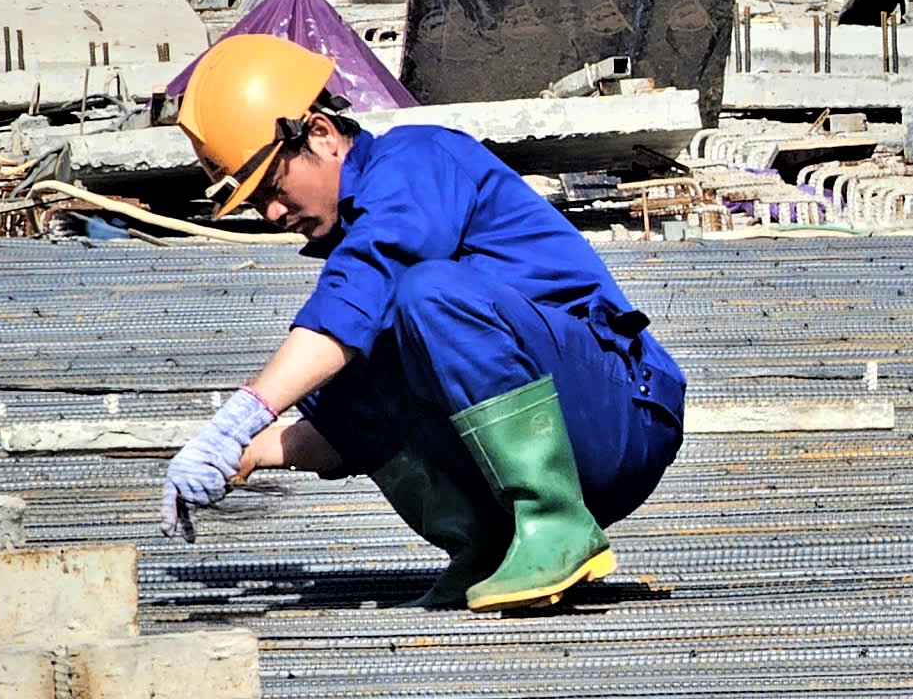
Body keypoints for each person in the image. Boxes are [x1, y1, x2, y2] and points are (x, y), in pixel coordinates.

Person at [157, 35, 685, 611]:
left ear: (322, 134)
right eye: (257, 203)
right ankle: (487, 548)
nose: (274, 214)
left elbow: (365, 286)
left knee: (423, 294)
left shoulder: (417, 160)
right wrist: (246, 452)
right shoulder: (365, 244)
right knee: (340, 370)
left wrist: (237, 418)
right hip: (574, 427)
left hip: (621, 416)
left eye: (273, 189)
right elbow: (347, 429)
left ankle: (555, 522)